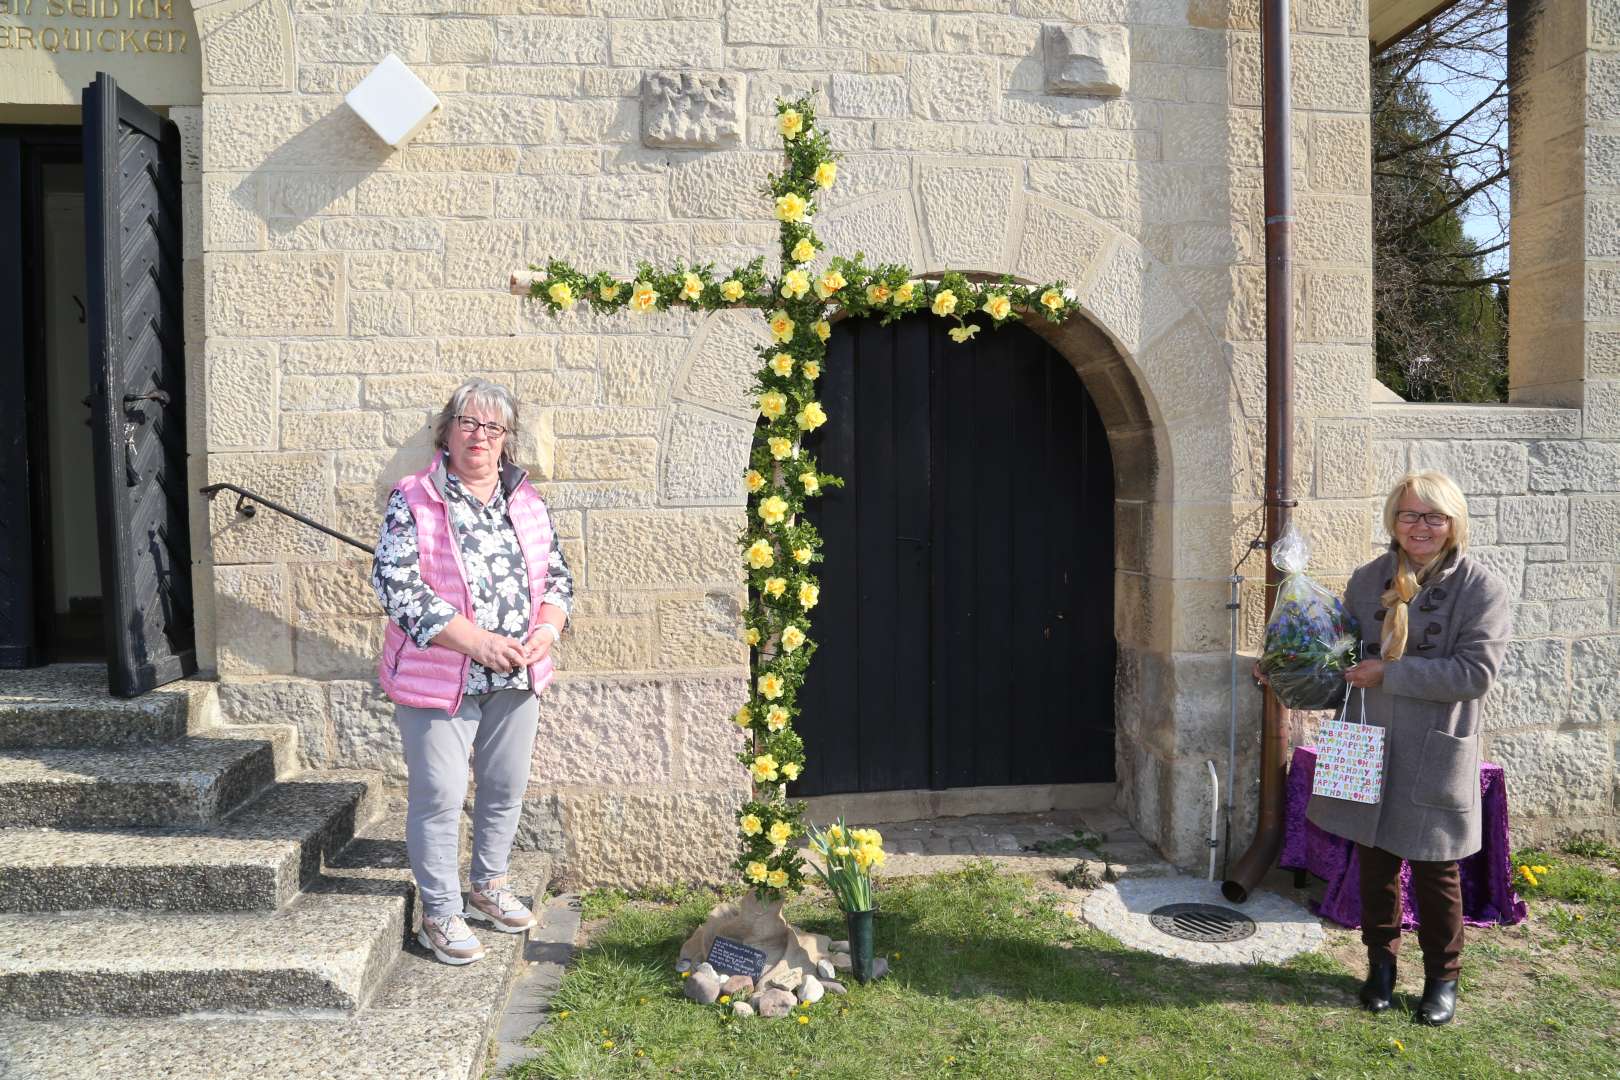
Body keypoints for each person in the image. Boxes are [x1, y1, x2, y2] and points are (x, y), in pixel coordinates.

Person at [370, 378, 573, 966]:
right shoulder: (414, 497)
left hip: (517, 676)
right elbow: (397, 586)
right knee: (440, 793)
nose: (478, 436)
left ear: (506, 439)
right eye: (468, 423)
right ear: (448, 429)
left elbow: (559, 578)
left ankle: (487, 885)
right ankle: (440, 910)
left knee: (505, 787)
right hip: (439, 677)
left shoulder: (528, 501)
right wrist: (477, 642)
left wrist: (545, 633)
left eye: (492, 427)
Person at [1305, 470, 1510, 1025]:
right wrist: (1297, 665)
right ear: (1393, 520)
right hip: (1366, 736)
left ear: (1453, 522)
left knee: (1435, 869)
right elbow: (1343, 651)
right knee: (1373, 860)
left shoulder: (1479, 587)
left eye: (1434, 516)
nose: (1420, 527)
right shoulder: (1368, 577)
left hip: (1433, 747)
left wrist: (1388, 674)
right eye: (1409, 514)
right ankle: (1381, 967)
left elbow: (1474, 674)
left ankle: (1443, 978)